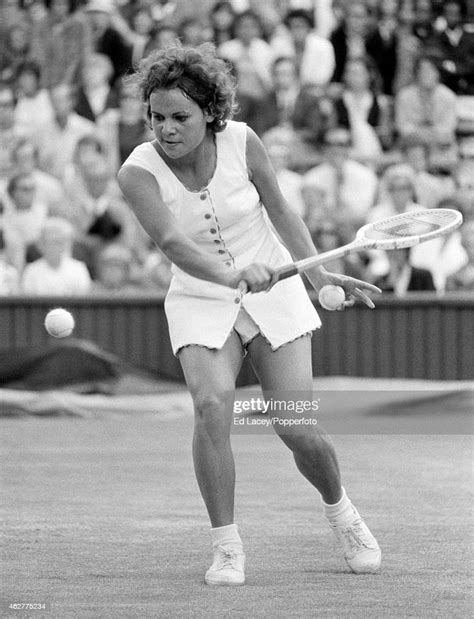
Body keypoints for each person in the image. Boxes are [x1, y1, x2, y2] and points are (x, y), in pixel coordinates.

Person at [118, 43, 382, 587]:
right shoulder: (137, 171)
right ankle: (227, 547)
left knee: (295, 425)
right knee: (212, 405)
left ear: (212, 113)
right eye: (157, 116)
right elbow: (170, 241)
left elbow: (280, 209)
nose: (166, 129)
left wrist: (319, 276)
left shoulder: (242, 141)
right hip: (199, 294)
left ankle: (342, 513)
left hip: (275, 287)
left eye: (179, 117)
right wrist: (229, 277)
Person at [21, 216, 92, 295]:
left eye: (58, 242)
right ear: (41, 245)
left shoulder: (79, 269)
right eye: (50, 242)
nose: (54, 247)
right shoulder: (31, 271)